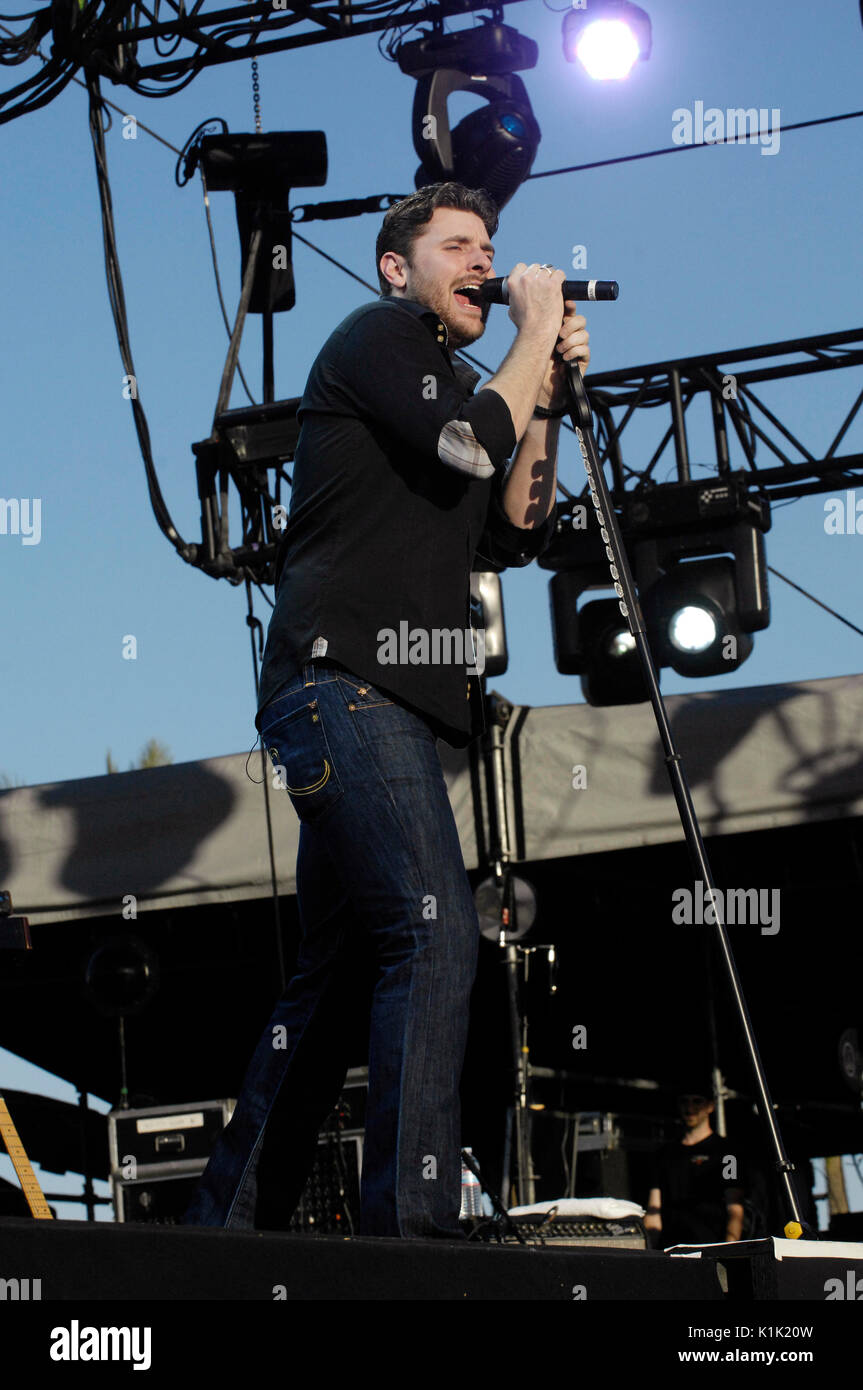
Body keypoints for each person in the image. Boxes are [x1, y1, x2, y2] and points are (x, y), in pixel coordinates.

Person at [184, 181, 590, 1239]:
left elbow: (516, 524)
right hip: (342, 686)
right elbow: (466, 444)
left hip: (385, 707)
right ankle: (410, 1230)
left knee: (337, 972)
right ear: (393, 267)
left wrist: (541, 385)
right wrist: (534, 327)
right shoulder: (372, 338)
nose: (482, 258)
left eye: (490, 244)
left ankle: (221, 1233)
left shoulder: (462, 387)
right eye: (457, 243)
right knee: (434, 936)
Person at [644, 1093, 745, 1247]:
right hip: (672, 1248)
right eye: (685, 1101)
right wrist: (649, 1253)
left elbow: (734, 1206)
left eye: (697, 1101)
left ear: (710, 1106)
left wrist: (730, 1248)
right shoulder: (664, 1154)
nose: (690, 1108)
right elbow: (654, 1210)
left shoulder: (727, 1152)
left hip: (711, 1246)